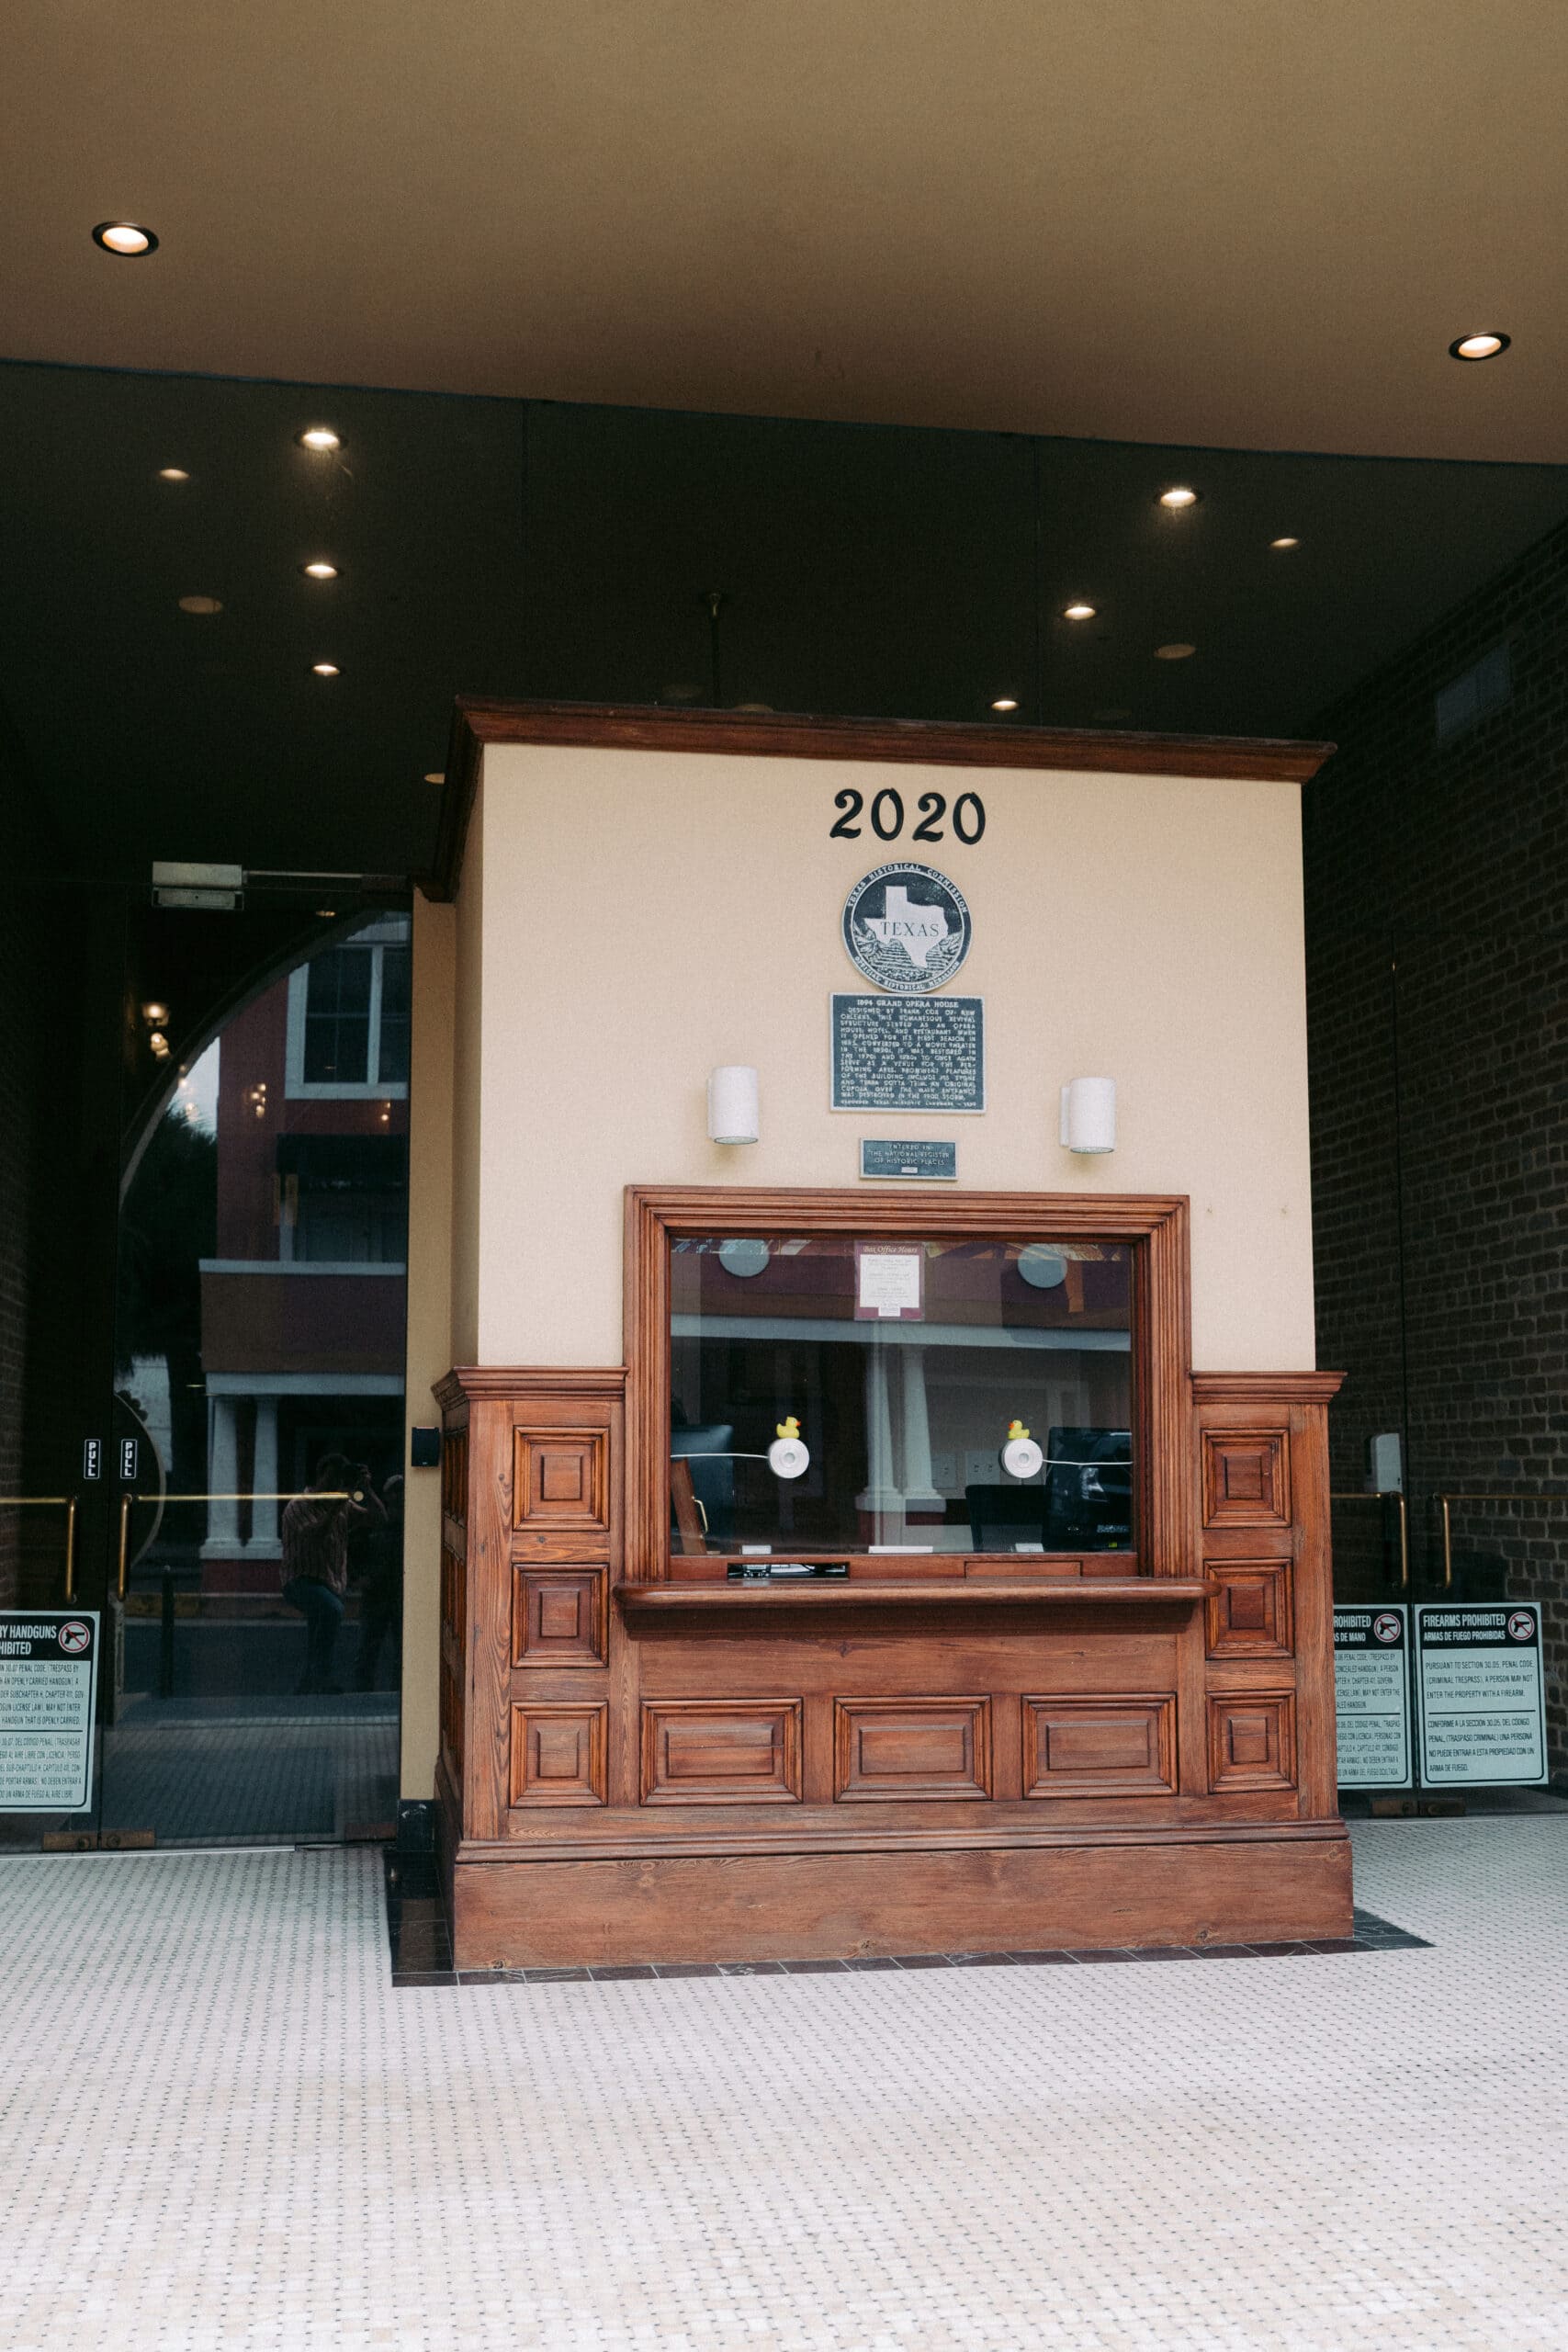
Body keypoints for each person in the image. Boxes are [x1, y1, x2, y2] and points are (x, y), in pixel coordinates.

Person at [280, 1455, 384, 1696]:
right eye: (331, 1477)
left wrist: (367, 1489)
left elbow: (379, 1519)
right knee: (332, 1610)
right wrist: (335, 1508)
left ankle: (307, 1682)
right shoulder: (299, 1506)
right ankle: (322, 1677)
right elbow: (314, 1536)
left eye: (340, 1478)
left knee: (318, 1629)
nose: (335, 1483)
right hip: (300, 1580)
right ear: (320, 1475)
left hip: (330, 1581)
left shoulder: (343, 1506)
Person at [355, 1472, 403, 1691]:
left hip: (395, 1590)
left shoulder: (405, 1520)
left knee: (397, 1645)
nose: (398, 1496)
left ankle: (395, 1689)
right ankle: (363, 1688)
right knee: (370, 1644)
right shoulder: (381, 1519)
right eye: (395, 1492)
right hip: (379, 1589)